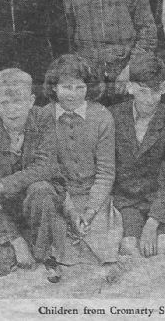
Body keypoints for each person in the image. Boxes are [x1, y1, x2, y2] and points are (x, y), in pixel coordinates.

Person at [0, 68, 63, 281]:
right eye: (5, 103)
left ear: (31, 100)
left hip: (38, 205)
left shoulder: (44, 119)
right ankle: (23, 240)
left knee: (41, 188)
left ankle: (45, 251)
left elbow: (47, 166)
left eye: (19, 101)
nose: (13, 109)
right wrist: (15, 240)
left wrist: (2, 185)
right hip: (4, 211)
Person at [40, 54, 123, 268]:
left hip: (94, 195)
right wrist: (70, 210)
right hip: (60, 196)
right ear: (54, 88)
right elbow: (48, 171)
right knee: (63, 251)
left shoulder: (102, 116)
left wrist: (90, 210)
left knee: (100, 249)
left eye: (80, 88)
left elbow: (106, 172)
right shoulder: (42, 117)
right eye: (67, 87)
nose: (74, 95)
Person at [110, 55, 165, 257]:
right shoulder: (113, 117)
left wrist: (152, 223)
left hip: (159, 199)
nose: (149, 99)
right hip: (126, 200)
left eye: (155, 91)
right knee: (128, 248)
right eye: (142, 91)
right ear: (130, 87)